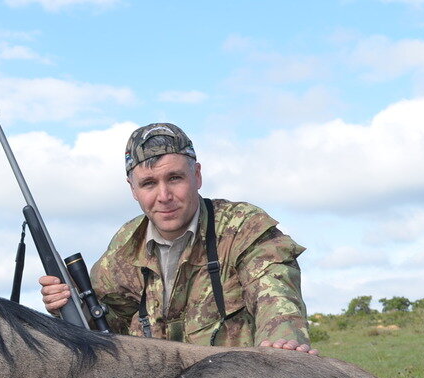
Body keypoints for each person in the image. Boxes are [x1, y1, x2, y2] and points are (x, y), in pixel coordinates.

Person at [40, 122, 317, 355]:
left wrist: (283, 344)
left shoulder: (243, 227)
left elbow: (276, 297)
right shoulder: (124, 247)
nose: (164, 196)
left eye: (174, 178)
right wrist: (71, 304)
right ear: (133, 189)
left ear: (196, 176)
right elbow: (109, 326)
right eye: (149, 183)